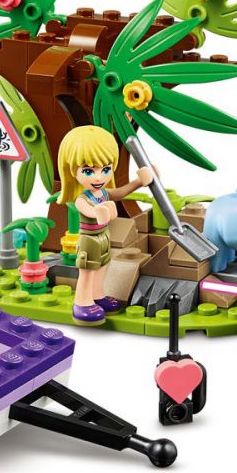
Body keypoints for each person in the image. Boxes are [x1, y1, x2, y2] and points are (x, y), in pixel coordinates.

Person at [57, 126, 154, 325]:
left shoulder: (103, 192)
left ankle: (97, 296)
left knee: (102, 268)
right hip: (89, 240)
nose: (99, 177)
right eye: (88, 171)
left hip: (103, 237)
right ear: (72, 170)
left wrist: (138, 182)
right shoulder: (83, 198)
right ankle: (82, 303)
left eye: (106, 169)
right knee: (87, 272)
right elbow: (87, 210)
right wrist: (98, 212)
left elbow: (120, 192)